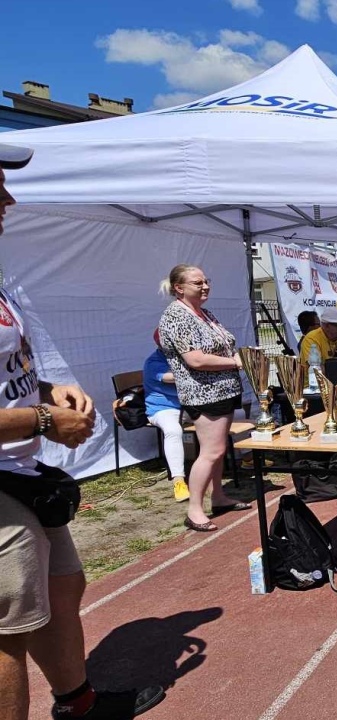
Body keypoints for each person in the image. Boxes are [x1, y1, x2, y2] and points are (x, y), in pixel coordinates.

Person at [0, 142, 165, 720]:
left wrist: (48, 393)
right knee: (6, 630)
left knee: (62, 588)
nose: (8, 198)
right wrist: (45, 420)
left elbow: (12, 371)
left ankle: (78, 702)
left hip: (22, 472)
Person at [158, 264, 251, 532]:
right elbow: (195, 359)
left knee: (219, 449)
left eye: (206, 281)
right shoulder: (176, 316)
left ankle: (218, 496)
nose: (205, 286)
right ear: (179, 287)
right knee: (211, 451)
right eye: (198, 283)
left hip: (224, 390)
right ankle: (194, 509)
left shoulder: (204, 313)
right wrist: (234, 362)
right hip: (203, 393)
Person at [144, 329, 188, 502]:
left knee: (234, 414)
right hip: (162, 409)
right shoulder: (153, 362)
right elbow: (173, 378)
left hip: (187, 406)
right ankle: (179, 481)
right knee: (173, 431)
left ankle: (244, 458)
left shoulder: (182, 357)